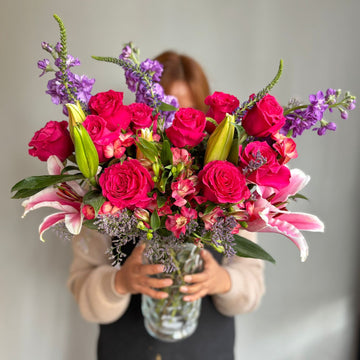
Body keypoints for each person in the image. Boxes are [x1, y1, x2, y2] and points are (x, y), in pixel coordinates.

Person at [68, 51, 265, 360]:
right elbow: (82, 289)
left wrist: (224, 280)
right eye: (166, 114)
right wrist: (119, 281)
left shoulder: (232, 191)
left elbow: (252, 286)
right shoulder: (109, 186)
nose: (177, 129)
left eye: (188, 115)